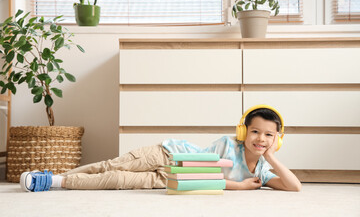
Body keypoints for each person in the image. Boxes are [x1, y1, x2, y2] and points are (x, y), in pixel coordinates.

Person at [20, 105, 302, 192]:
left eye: (268, 135)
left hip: (172, 177)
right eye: (255, 131)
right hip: (167, 154)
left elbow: (294, 187)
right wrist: (238, 186)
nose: (260, 139)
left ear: (277, 138)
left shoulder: (264, 168)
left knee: (116, 181)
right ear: (244, 131)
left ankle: (51, 181)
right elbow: (205, 173)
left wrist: (273, 158)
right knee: (112, 166)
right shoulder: (229, 144)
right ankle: (53, 173)